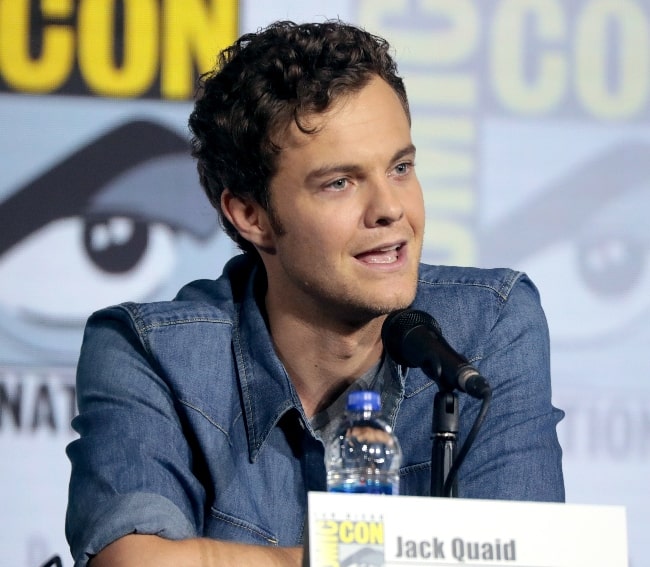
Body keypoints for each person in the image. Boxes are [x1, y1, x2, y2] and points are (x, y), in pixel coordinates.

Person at [65, 19, 565, 567]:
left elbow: (528, 555)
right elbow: (133, 561)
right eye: (340, 183)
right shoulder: (150, 352)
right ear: (251, 215)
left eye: (400, 168)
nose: (390, 209)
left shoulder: (490, 325)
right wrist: (362, 559)